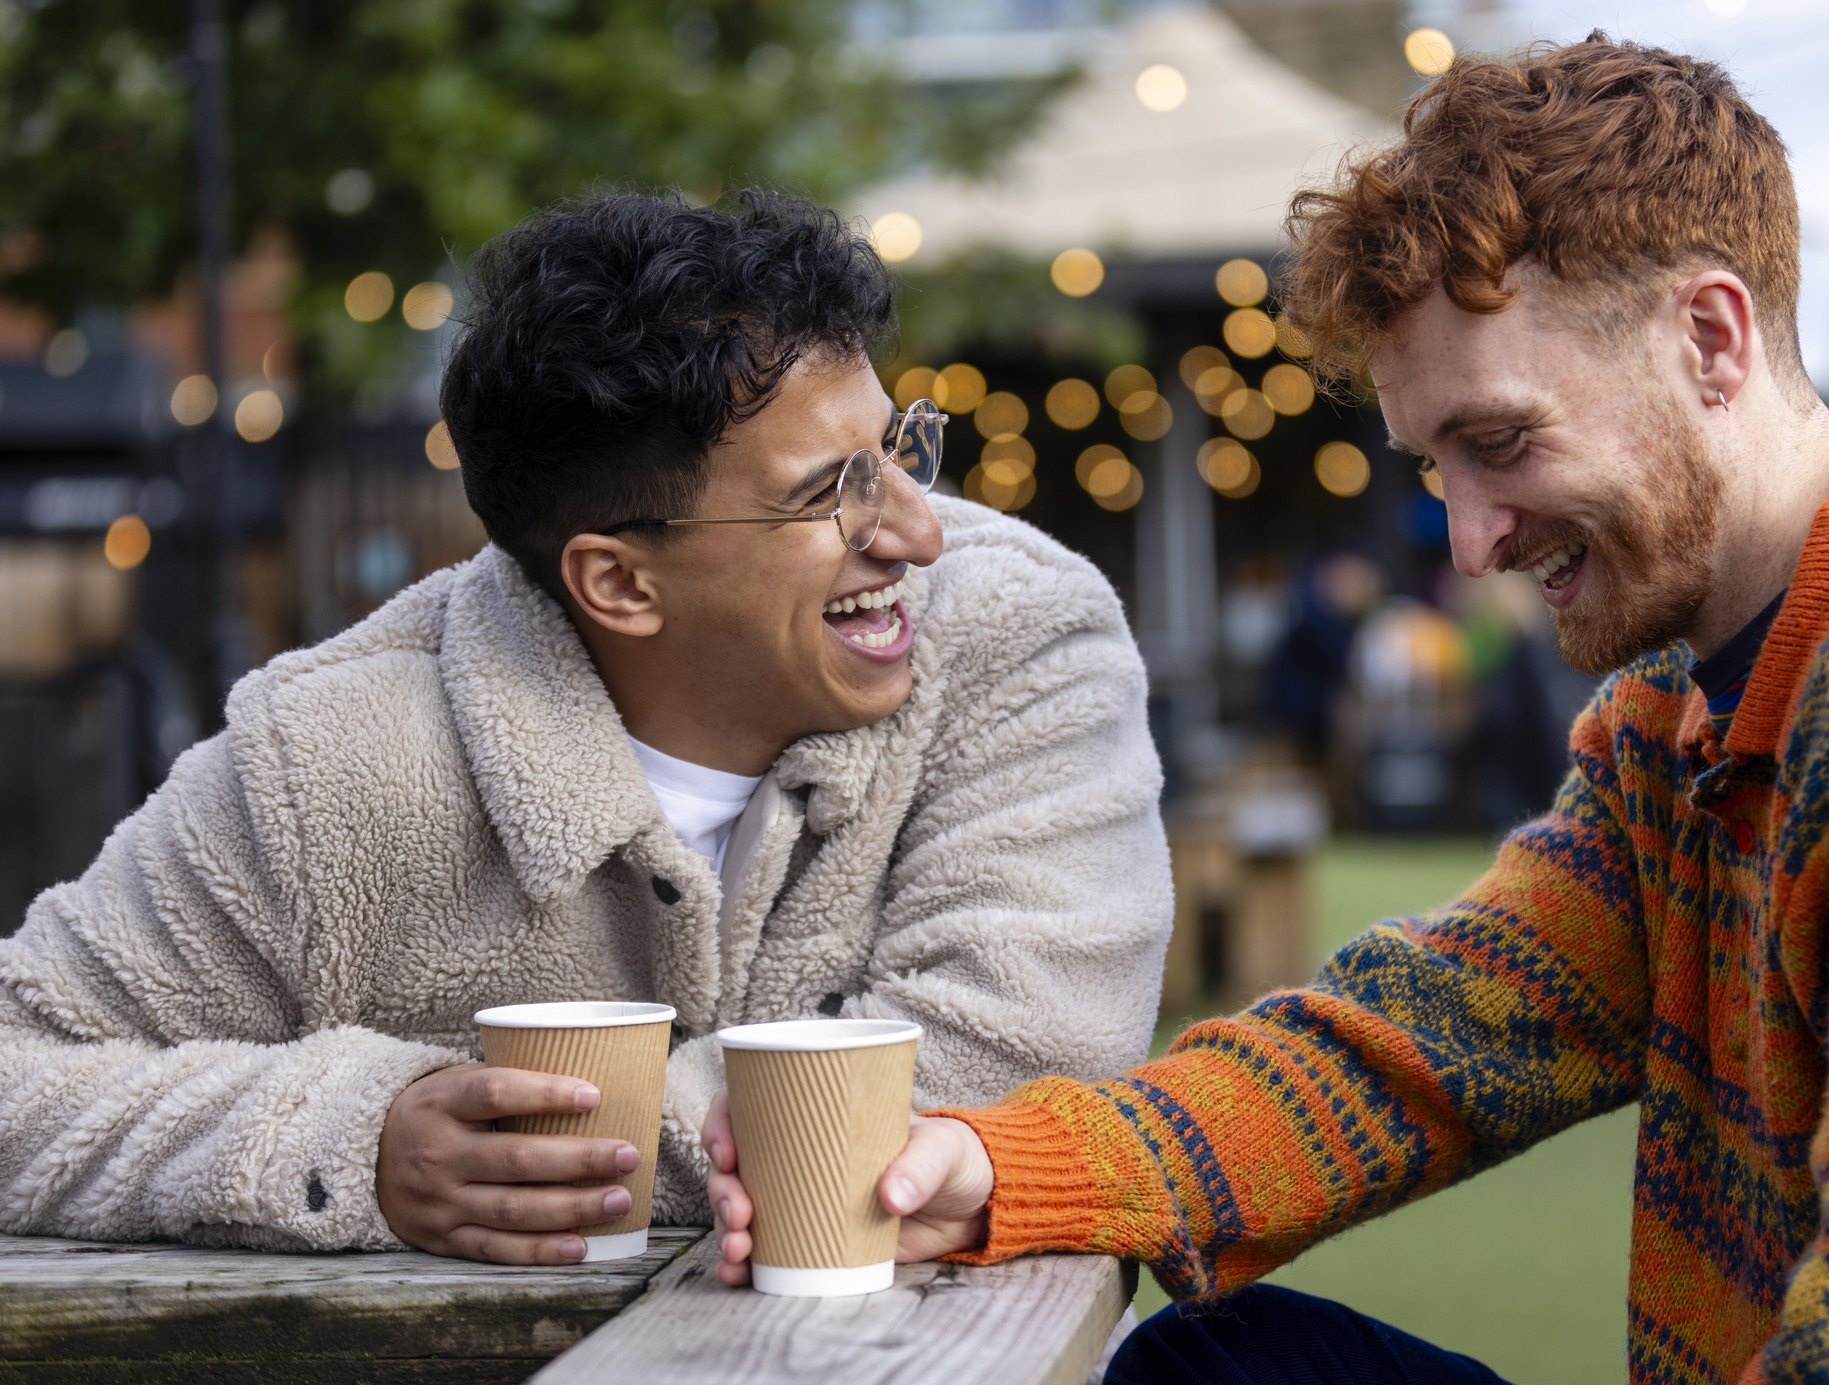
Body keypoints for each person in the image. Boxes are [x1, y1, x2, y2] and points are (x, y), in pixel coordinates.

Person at [707, 37, 1829, 1385]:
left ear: (1710, 336)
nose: (1471, 539)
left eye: (1500, 442)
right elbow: (1421, 1042)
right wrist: (994, 1166)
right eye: (1434, 465)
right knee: (1216, 1367)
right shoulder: (1679, 707)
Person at [0, 191, 1171, 1266]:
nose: (918, 532)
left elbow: (1026, 1064)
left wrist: (518, 1148)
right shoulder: (326, 762)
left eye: (899, 448)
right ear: (617, 584)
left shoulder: (1020, 632)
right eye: (830, 494)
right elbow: (17, 1071)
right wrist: (355, 1141)